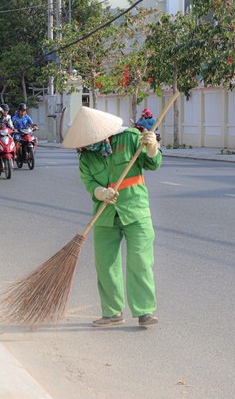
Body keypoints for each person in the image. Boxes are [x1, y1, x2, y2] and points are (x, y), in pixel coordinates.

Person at [62, 107, 161, 327]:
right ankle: (112, 312)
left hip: (136, 210)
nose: (87, 145)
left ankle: (145, 310)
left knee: (141, 261)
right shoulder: (86, 156)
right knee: (106, 264)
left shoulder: (129, 138)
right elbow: (89, 183)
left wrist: (153, 147)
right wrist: (100, 192)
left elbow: (153, 164)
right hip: (105, 215)